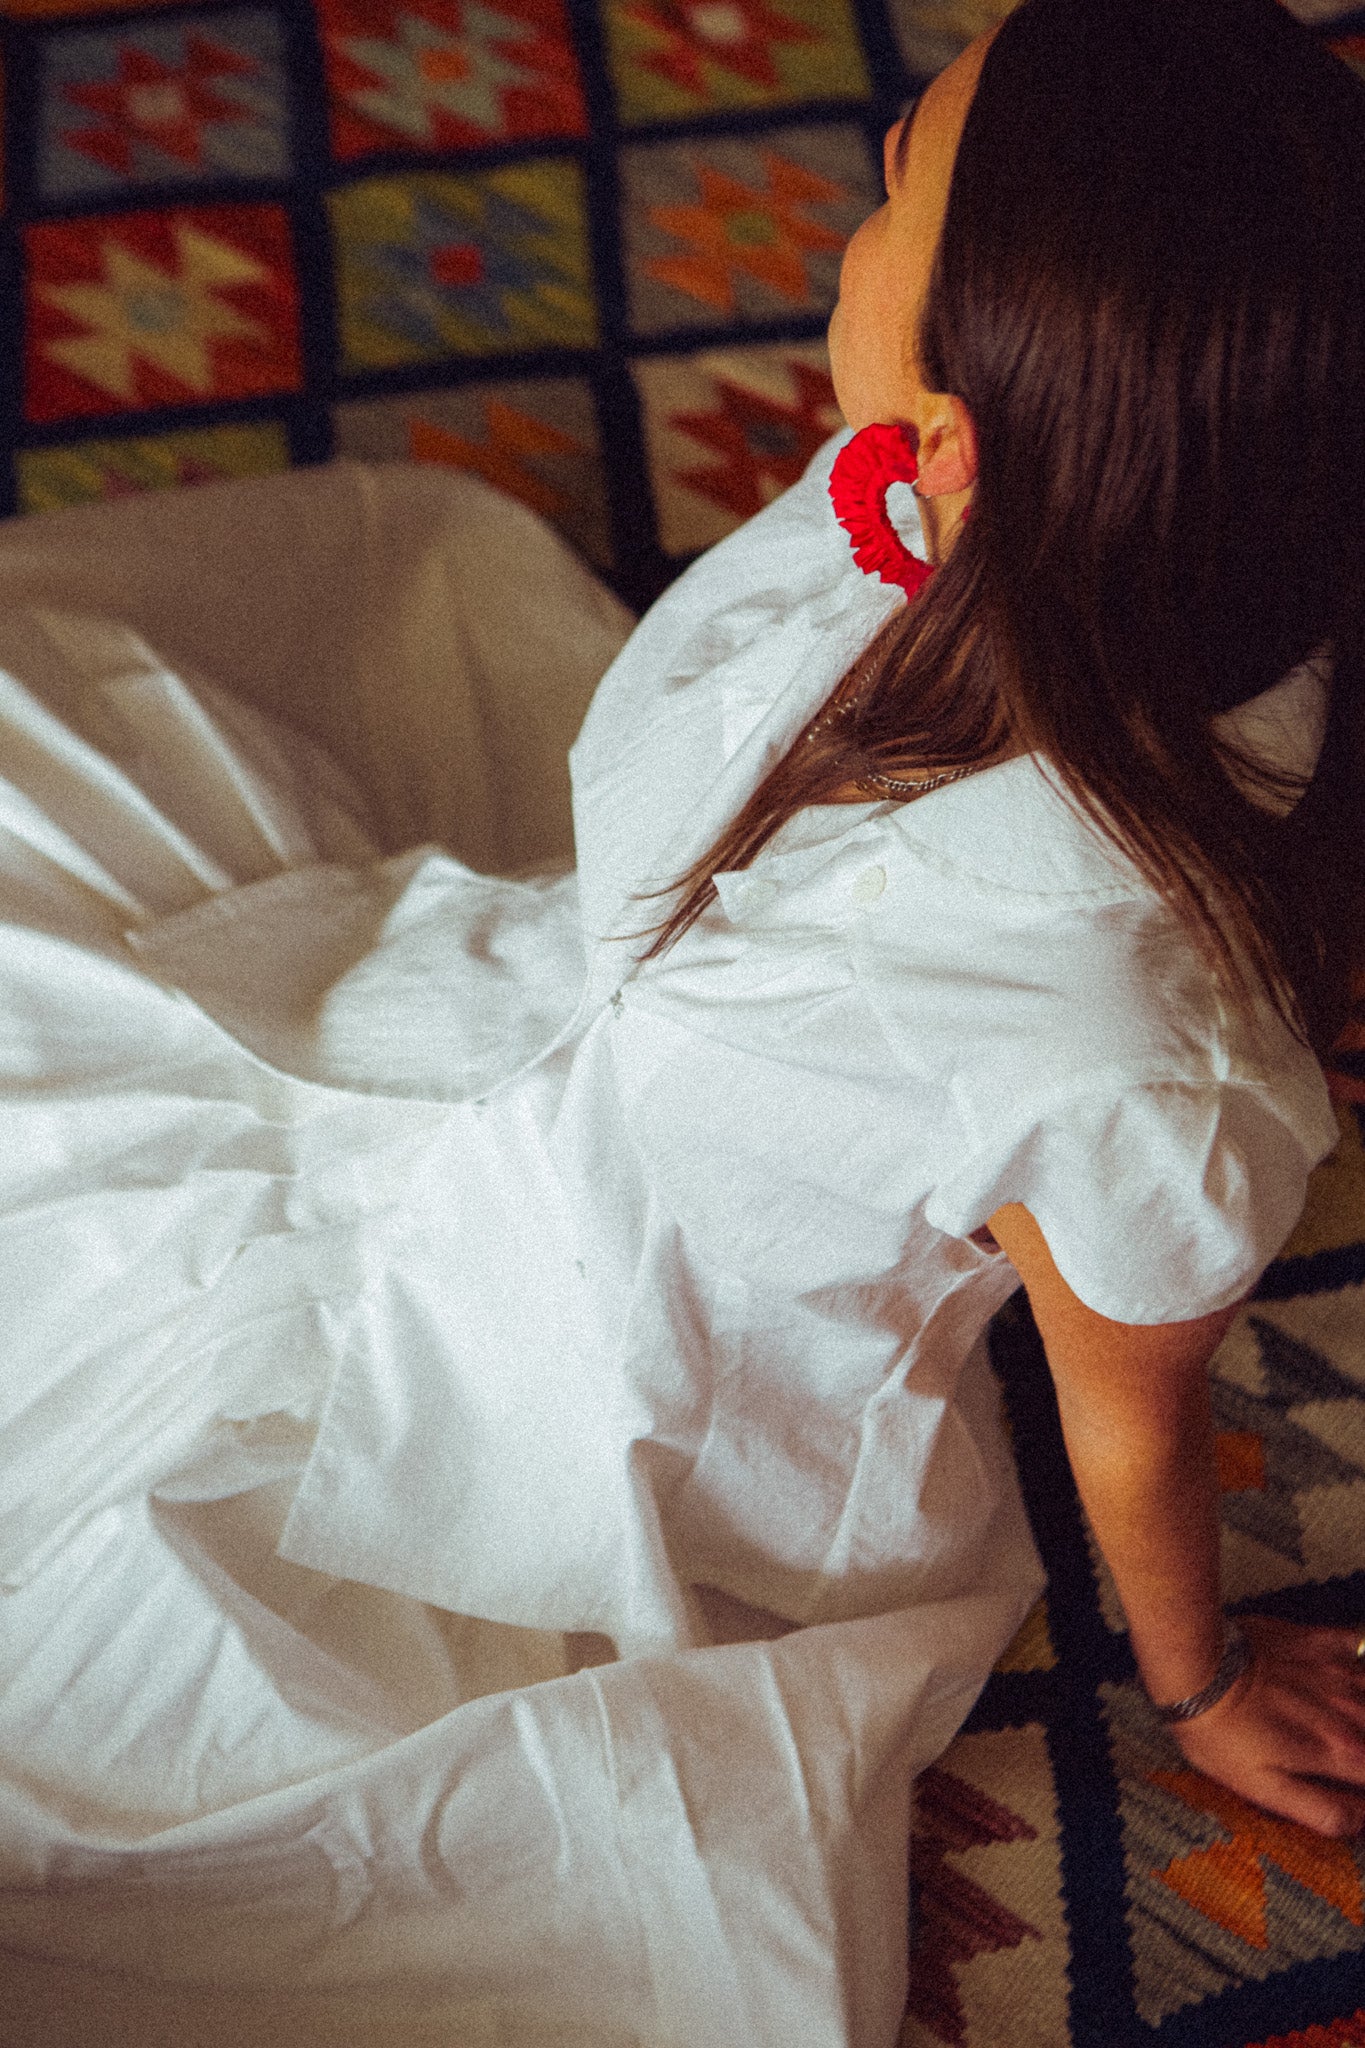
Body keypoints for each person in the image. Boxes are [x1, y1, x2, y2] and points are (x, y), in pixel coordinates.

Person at [0, 0, 1363, 2040]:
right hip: (513, 1020)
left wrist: (1200, 1677)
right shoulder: (993, 524)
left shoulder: (1123, 1047)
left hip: (633, 1358)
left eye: (892, 191)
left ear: (967, 436)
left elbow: (1133, 1408)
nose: (863, 187)